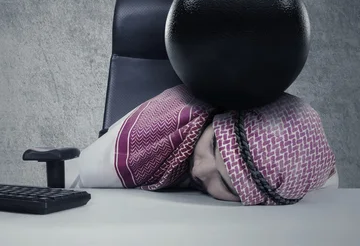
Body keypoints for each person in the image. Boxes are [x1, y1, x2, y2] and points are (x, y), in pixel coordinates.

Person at [66, 84, 338, 205]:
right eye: (213, 147)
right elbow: (76, 177)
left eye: (225, 184)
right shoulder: (166, 124)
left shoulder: (309, 170)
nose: (199, 170)